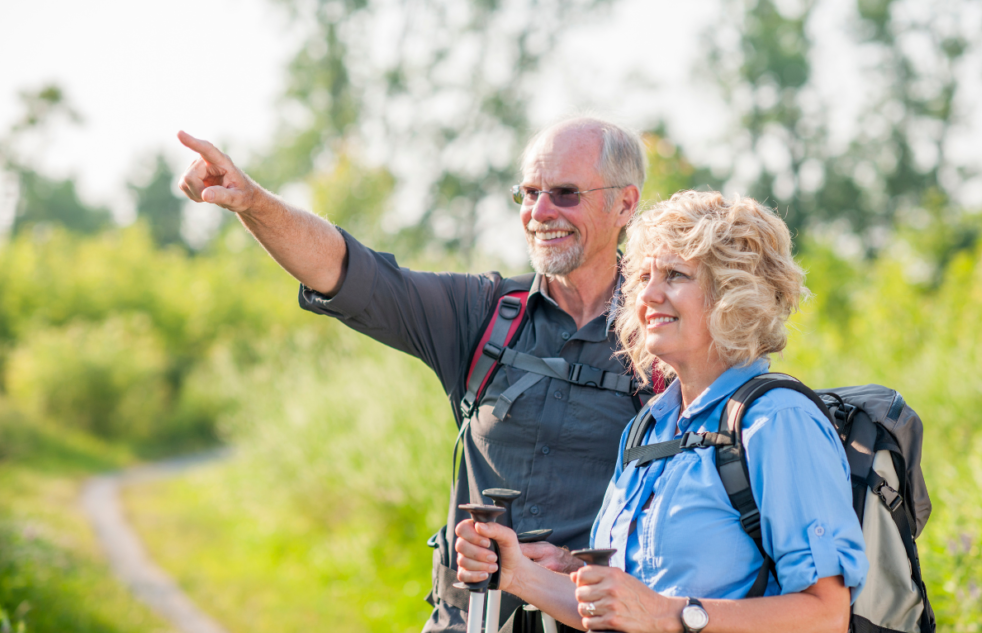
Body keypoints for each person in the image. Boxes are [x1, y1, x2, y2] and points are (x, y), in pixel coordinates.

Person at [176, 116, 647, 632]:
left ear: (625, 203)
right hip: (466, 623)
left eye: (564, 193)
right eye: (529, 192)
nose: (539, 212)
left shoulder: (666, 340)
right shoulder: (483, 315)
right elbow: (352, 273)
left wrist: (582, 567)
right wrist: (254, 202)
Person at [454, 190, 869, 633]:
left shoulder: (778, 422)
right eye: (644, 276)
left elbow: (826, 614)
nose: (648, 295)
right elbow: (617, 613)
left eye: (674, 275)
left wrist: (668, 614)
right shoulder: (648, 428)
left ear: (734, 291)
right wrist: (520, 574)